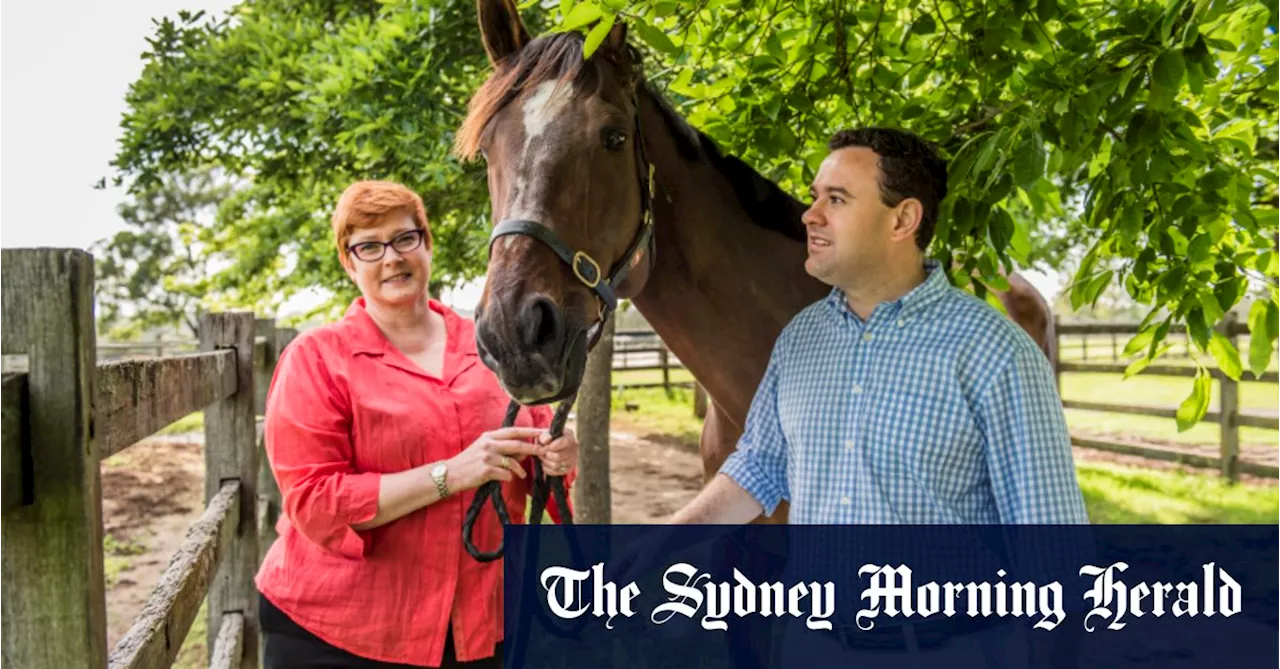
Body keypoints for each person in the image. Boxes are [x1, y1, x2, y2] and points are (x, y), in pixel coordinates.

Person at [662, 128, 1087, 665]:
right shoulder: (800, 339)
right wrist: (663, 542)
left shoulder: (993, 352)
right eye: (815, 196)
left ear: (902, 220)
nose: (810, 215)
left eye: (836, 199)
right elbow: (760, 468)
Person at [255, 180, 579, 668]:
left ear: (426, 243)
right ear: (349, 262)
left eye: (405, 239)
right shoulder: (317, 359)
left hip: (480, 626)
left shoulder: (492, 345)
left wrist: (555, 456)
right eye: (369, 246)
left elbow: (534, 462)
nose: (392, 258)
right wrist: (451, 474)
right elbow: (315, 502)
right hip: (340, 633)